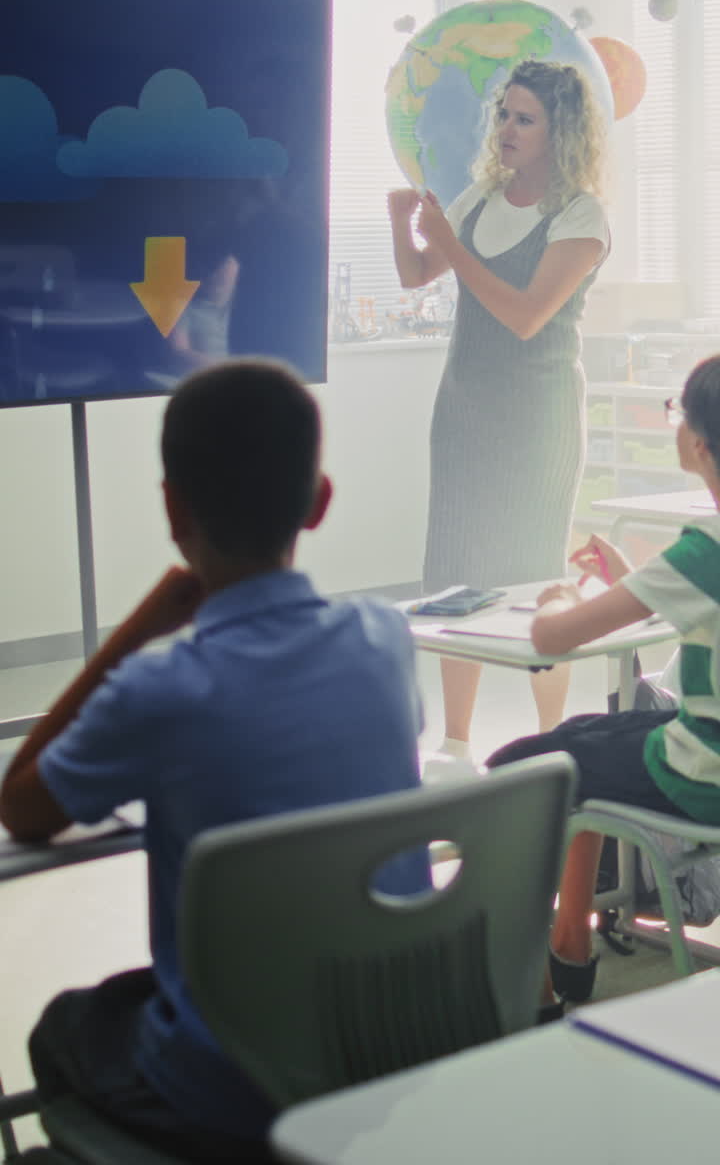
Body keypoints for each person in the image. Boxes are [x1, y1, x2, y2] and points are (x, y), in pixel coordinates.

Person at [0, 358, 426, 1162]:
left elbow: (21, 805)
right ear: (320, 501)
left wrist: (135, 631)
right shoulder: (386, 642)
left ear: (172, 507)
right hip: (392, 1041)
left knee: (66, 1028)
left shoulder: (163, 688)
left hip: (233, 1088)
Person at [388, 59, 609, 780]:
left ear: (558, 131)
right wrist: (401, 227)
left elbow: (523, 316)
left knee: (534, 579)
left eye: (524, 118)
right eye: (503, 115)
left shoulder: (580, 216)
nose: (506, 130)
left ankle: (555, 745)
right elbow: (419, 276)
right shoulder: (481, 195)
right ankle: (456, 743)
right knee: (457, 574)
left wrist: (447, 247)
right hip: (464, 412)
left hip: (537, 421)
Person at [487, 354, 720, 1011]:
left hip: (703, 773)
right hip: (702, 739)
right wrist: (633, 579)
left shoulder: (707, 549)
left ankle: (531, 988)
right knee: (580, 739)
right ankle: (571, 938)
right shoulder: (697, 559)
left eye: (676, 410)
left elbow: (552, 639)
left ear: (699, 444)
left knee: (524, 768)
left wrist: (556, 598)